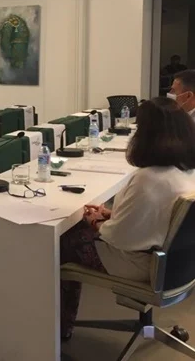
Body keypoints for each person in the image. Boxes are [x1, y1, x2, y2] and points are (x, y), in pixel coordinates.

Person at [59, 97, 195, 340]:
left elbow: (118, 238)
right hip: (180, 265)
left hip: (143, 265)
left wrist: (95, 221)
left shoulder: (148, 178)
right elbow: (163, 216)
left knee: (62, 241)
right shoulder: (186, 171)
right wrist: (112, 214)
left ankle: (60, 329)